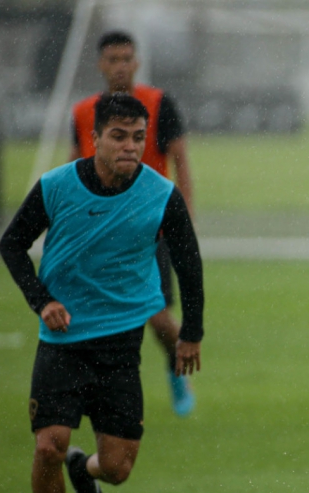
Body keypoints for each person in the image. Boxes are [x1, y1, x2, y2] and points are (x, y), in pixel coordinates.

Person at [0, 93, 204, 493]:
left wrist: (190, 333)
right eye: (118, 136)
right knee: (48, 444)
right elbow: (11, 243)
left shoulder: (160, 194)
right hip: (62, 343)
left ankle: (82, 469)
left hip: (119, 347)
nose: (130, 147)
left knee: (116, 468)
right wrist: (42, 300)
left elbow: (188, 262)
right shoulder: (56, 186)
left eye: (138, 137)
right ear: (93, 138)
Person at [70, 30, 197, 416]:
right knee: (91, 319)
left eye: (127, 58)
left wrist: (184, 225)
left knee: (158, 319)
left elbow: (181, 163)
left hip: (149, 232)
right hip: (97, 236)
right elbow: (73, 171)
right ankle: (92, 393)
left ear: (137, 62)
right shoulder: (82, 113)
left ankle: (177, 371)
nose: (120, 66)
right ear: (100, 64)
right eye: (113, 59)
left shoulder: (158, 104)